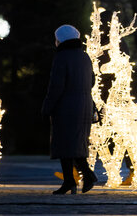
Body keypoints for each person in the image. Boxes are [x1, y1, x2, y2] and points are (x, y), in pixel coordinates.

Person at [41, 25, 98, 195]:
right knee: (74, 144)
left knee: (65, 144)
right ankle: (71, 181)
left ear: (60, 40)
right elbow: (92, 82)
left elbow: (56, 86)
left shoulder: (62, 57)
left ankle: (83, 176)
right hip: (85, 105)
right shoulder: (84, 56)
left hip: (66, 106)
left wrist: (47, 107)